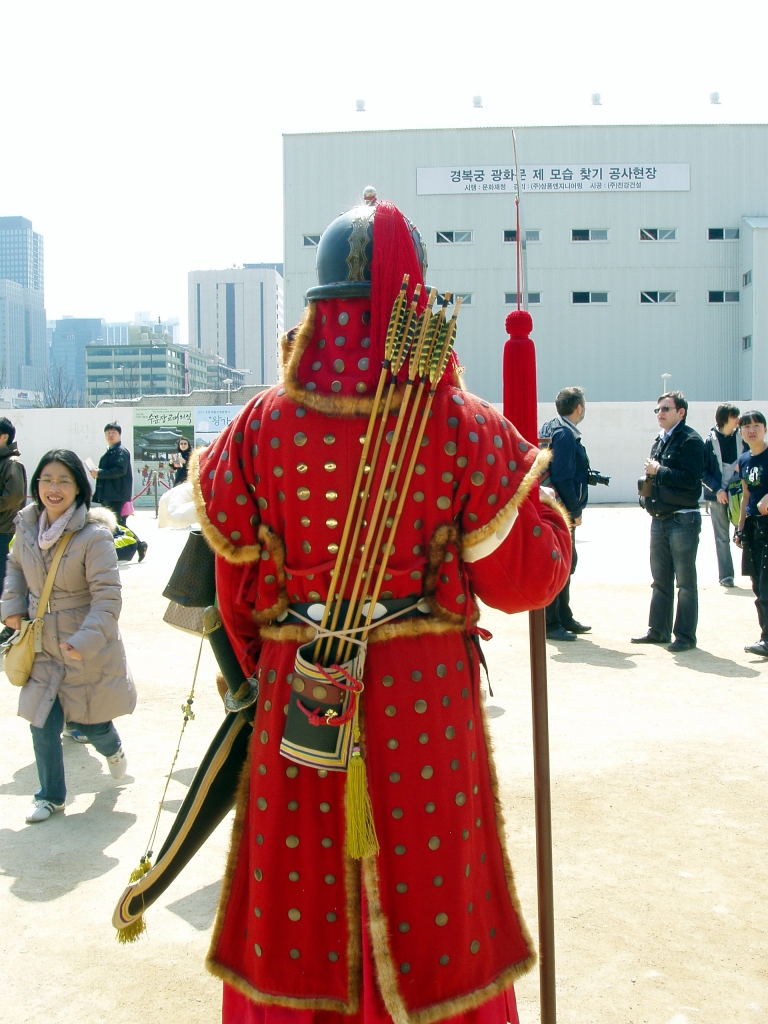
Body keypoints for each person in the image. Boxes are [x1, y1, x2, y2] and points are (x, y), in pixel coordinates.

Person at [192, 199, 572, 1024]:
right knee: (434, 893)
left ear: (317, 306)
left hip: (301, 690)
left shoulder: (260, 424)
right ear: (413, 304)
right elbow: (521, 583)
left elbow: (236, 595)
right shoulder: (462, 422)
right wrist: (549, 518)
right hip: (423, 699)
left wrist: (283, 661)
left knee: (299, 896)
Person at [0, 449, 136, 823]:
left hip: (81, 645)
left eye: (64, 480)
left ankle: (112, 748)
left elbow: (108, 597)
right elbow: (16, 568)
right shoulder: (27, 527)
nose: (54, 488)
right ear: (36, 485)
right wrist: (11, 606)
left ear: (79, 488)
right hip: (41, 642)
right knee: (41, 720)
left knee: (90, 723)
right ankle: (50, 796)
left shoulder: (94, 536)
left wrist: (85, 640)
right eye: (47, 480)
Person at [633, 391, 705, 652]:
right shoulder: (660, 441)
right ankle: (658, 630)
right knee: (660, 580)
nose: (660, 414)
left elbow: (690, 480)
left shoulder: (691, 441)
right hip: (660, 519)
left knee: (685, 583)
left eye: (665, 409)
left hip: (683, 519)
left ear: (681, 412)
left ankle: (685, 636)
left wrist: (659, 471)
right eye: (658, 410)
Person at [540, 386, 591, 641]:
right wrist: (575, 510)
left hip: (550, 506)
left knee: (565, 563)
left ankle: (563, 615)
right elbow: (562, 476)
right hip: (560, 510)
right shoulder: (565, 434)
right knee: (560, 564)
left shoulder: (550, 427)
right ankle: (552, 622)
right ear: (578, 408)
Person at [734, 411, 768, 657]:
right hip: (753, 530)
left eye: (757, 425)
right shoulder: (744, 459)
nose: (751, 430)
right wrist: (740, 527)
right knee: (758, 587)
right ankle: (765, 636)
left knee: (767, 587)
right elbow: (746, 496)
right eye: (746, 427)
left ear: (765, 429)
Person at [90, 422, 148, 562]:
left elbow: (119, 470)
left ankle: (138, 545)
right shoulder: (111, 451)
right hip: (109, 494)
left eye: (113, 432)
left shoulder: (121, 451)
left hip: (116, 495)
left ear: (119, 435)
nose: (110, 435)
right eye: (108, 433)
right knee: (116, 524)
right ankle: (138, 545)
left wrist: (100, 473)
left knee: (116, 524)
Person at [702, 403, 743, 587]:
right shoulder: (709, 442)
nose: (738, 420)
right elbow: (702, 472)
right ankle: (726, 576)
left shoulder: (742, 438)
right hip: (717, 496)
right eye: (734, 416)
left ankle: (755, 573)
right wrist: (718, 490)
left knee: (746, 533)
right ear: (724, 418)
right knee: (722, 538)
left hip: (740, 494)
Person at [0, 417, 27, 645]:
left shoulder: (12, 464)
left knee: (7, 580)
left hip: (5, 531)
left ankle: (13, 626)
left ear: (4, 437)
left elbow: (14, 497)